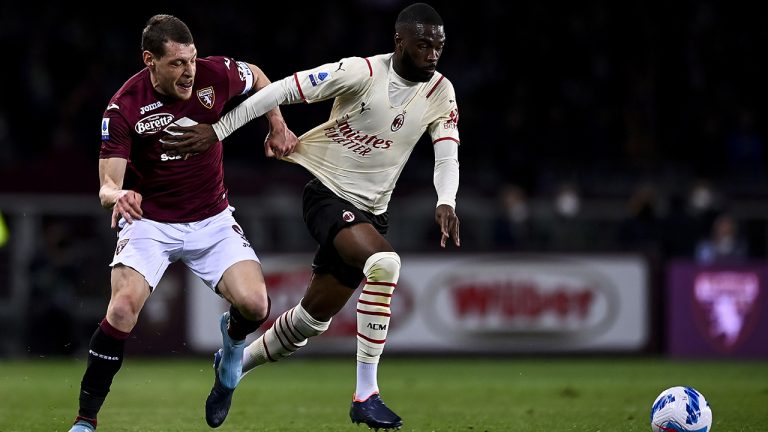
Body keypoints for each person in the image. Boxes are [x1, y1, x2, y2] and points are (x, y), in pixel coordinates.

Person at [162, 3, 460, 429]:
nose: (433, 54)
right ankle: (366, 394)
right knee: (386, 263)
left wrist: (445, 199)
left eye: (439, 46)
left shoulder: (441, 91)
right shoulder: (361, 73)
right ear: (400, 41)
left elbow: (447, 152)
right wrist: (217, 131)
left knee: (309, 322)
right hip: (326, 195)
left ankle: (233, 366)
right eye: (424, 44)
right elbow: (279, 89)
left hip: (371, 214)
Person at [67, 14, 297, 432]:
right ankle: (86, 420)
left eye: (191, 60)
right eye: (176, 64)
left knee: (256, 306)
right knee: (120, 310)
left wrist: (277, 124)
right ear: (149, 60)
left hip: (211, 219)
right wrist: (119, 195)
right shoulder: (124, 107)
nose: (189, 72)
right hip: (150, 223)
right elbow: (106, 187)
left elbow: (262, 78)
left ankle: (230, 349)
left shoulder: (215, 73)